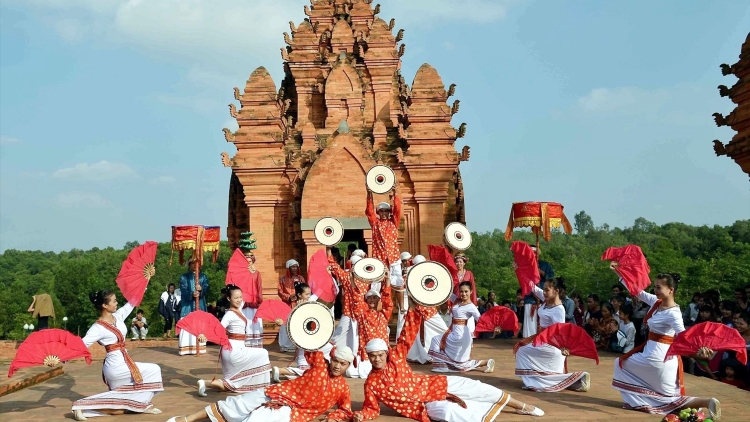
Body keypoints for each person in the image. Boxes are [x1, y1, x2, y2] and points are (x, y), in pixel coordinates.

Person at [353, 301, 544, 421]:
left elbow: (406, 336)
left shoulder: (395, 358)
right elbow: (371, 408)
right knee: (450, 413)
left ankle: (522, 406)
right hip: (423, 405)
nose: (377, 359)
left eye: (380, 354)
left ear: (386, 353)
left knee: (478, 386)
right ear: (368, 357)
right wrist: (362, 415)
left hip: (435, 384)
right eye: (373, 356)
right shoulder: (371, 383)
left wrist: (414, 307)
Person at [611, 271, 721, 419]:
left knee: (621, 364)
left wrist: (699, 348)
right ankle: (708, 402)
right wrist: (620, 272)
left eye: (659, 288)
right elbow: (637, 291)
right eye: (655, 287)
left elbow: (683, 335)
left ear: (671, 290)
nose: (656, 291)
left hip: (658, 356)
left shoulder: (673, 313)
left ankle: (707, 402)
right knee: (666, 398)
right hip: (655, 355)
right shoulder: (656, 303)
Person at [167, 346, 356, 422]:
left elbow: (346, 410)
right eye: (336, 361)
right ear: (331, 359)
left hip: (292, 411)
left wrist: (333, 418)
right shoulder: (319, 365)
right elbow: (309, 341)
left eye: (343, 363)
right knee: (234, 405)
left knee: (256, 420)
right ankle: (187, 419)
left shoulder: (343, 388)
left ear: (348, 365)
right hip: (275, 392)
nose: (338, 366)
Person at [72, 290, 163, 420]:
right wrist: (61, 358)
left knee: (121, 408)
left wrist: (144, 282)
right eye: (114, 301)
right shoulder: (97, 327)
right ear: (104, 305)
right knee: (154, 369)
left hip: (125, 361)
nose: (117, 303)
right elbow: (81, 345)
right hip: (115, 367)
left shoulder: (118, 316)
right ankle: (80, 405)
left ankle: (85, 409)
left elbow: (132, 303)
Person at [514, 277, 591, 392]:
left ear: (556, 291)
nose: (544, 292)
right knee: (522, 349)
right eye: (543, 290)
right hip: (542, 339)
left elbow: (561, 331)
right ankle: (534, 381)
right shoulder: (546, 299)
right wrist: (519, 271)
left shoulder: (559, 309)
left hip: (552, 344)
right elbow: (531, 286)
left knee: (522, 351)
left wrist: (564, 347)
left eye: (547, 290)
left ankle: (578, 377)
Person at [194, 284, 272, 396]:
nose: (239, 300)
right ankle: (264, 387)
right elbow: (219, 328)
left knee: (232, 384)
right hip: (233, 351)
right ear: (229, 299)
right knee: (263, 353)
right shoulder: (229, 314)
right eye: (236, 298)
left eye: (241, 297)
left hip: (237, 348)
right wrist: (206, 336)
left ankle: (204, 383)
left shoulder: (239, 308)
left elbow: (250, 297)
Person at [428, 282, 494, 373]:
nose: (463, 294)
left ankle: (441, 365)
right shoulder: (457, 301)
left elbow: (481, 320)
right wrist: (436, 283)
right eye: (461, 291)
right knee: (461, 364)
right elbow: (448, 294)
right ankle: (487, 362)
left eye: (466, 291)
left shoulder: (471, 307)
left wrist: (493, 328)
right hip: (454, 332)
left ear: (471, 291)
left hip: (460, 335)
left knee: (436, 340)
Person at [272, 283, 332, 382]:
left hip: (314, 341)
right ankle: (281, 370)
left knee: (330, 348)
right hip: (303, 344)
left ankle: (323, 368)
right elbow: (292, 327)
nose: (309, 296)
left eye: (310, 294)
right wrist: (283, 323)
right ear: (299, 295)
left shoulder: (311, 303)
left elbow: (320, 291)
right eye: (307, 294)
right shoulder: (295, 309)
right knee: (307, 373)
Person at [406, 255, 449, 364]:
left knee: (444, 330)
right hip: (416, 310)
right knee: (414, 335)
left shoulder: (429, 274)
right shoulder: (409, 276)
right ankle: (417, 355)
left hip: (430, 310)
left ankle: (444, 351)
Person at [365, 182, 402, 294]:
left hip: (393, 257)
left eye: (386, 211)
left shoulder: (393, 222)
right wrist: (369, 193)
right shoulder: (375, 223)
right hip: (379, 258)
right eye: (382, 211)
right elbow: (369, 211)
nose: (384, 213)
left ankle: (402, 310)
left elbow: (398, 210)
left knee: (398, 284)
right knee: (376, 286)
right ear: (379, 212)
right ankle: (374, 310)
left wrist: (395, 193)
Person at [179, 258, 210, 355]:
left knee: (200, 323)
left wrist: (201, 289)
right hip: (187, 305)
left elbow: (207, 286)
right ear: (189, 265)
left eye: (196, 263)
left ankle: (200, 347)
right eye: (192, 263)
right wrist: (191, 294)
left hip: (199, 304)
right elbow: (183, 289)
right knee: (187, 323)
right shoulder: (184, 277)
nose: (194, 265)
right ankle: (186, 348)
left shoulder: (203, 276)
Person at [277, 259, 306, 353]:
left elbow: (305, 289)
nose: (294, 268)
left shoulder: (301, 278)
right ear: (288, 268)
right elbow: (280, 292)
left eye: (295, 266)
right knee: (285, 325)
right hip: (287, 304)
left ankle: (296, 344)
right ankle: (285, 345)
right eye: (292, 267)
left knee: (297, 323)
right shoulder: (283, 279)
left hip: (298, 303)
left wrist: (299, 296)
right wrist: (289, 297)